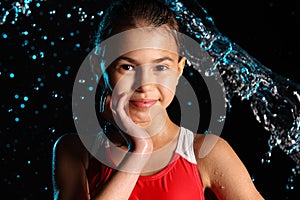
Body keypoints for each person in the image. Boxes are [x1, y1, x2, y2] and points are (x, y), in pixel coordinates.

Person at [52, 0, 265, 199]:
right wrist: (139, 149)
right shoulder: (76, 151)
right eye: (127, 67)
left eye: (160, 67)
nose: (145, 85)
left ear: (179, 69)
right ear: (98, 69)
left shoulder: (206, 153)